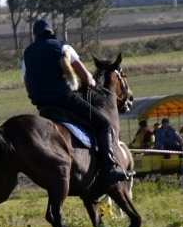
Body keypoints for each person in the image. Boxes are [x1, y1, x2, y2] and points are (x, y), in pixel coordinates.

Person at [21, 18, 127, 183]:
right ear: (51, 31)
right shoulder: (63, 47)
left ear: (35, 34)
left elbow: (28, 85)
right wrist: (92, 84)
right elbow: (86, 77)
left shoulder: (27, 53)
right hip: (65, 101)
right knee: (104, 124)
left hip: (43, 106)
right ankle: (109, 168)